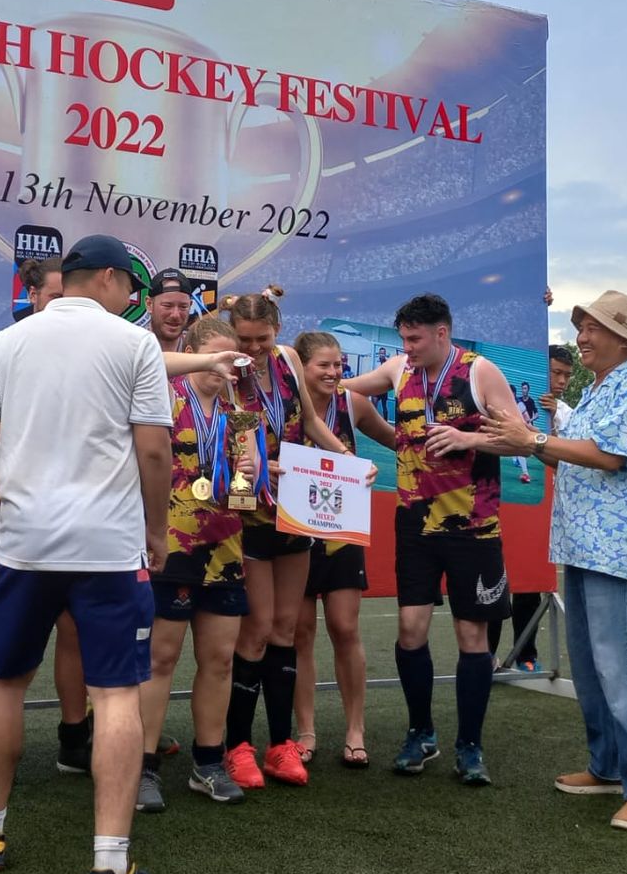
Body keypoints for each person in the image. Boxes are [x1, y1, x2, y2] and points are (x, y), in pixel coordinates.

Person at [0, 234, 173, 874]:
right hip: (108, 548)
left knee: (3, 684)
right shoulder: (136, 346)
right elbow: (155, 449)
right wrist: (156, 531)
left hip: (23, 545)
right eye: (129, 285)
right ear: (103, 277)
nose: (135, 298)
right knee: (118, 697)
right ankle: (109, 869)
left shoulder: (8, 341)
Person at [484, 290, 627, 831]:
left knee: (623, 668)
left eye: (593, 328)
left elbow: (612, 456)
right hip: (586, 544)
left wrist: (536, 438)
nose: (582, 338)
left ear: (625, 339)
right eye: (582, 326)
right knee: (593, 667)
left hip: (618, 549)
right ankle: (609, 766)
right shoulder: (599, 390)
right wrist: (490, 439)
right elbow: (557, 448)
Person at [344, 294, 525, 787]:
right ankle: (420, 733)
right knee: (409, 630)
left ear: (442, 333)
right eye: (403, 338)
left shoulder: (480, 372)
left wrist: (468, 439)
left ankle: (470, 745)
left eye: (415, 338)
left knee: (472, 637)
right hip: (414, 524)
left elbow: (521, 437)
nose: (407, 347)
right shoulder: (400, 368)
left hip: (474, 527)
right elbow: (345, 392)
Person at [0, 254, 95, 773]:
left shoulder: (95, 350)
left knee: (76, 628)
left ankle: (75, 739)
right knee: (2, 639)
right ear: (33, 296)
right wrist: (39, 424)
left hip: (78, 509)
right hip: (7, 509)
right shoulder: (4, 346)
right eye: (54, 296)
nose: (64, 306)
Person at [217, 285, 345, 790]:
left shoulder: (289, 360)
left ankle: (279, 744)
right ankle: (237, 746)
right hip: (246, 512)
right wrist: (262, 468)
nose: (252, 350)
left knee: (287, 629)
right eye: (244, 339)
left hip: (295, 509)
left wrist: (345, 463)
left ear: (277, 330)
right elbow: (218, 439)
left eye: (261, 339)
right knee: (254, 629)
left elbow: (310, 422)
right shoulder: (224, 371)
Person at [138, 315, 257, 809]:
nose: (228, 368)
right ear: (195, 352)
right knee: (161, 657)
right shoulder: (165, 399)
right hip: (172, 549)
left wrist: (249, 476)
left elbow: (247, 501)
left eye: (236, 359)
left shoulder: (242, 412)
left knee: (220, 659)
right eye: (221, 357)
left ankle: (209, 762)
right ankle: (142, 766)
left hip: (225, 551)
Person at [290, 329, 392, 769]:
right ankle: (306, 729)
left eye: (338, 365)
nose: (334, 373)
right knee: (300, 633)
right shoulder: (284, 403)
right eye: (324, 366)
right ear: (302, 367)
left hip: (342, 528)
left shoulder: (353, 403)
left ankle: (355, 728)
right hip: (293, 527)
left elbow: (395, 439)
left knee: (344, 628)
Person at [502, 343, 579, 673]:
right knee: (495, 581)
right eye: (556, 373)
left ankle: (526, 653)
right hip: (508, 502)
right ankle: (486, 655)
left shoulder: (567, 412)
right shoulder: (511, 399)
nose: (561, 381)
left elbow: (576, 454)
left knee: (530, 581)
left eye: (566, 376)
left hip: (544, 507)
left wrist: (555, 417)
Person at [145, 268, 193, 352]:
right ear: (149, 304)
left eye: (183, 307)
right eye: (167, 306)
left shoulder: (197, 349)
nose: (175, 315)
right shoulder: (132, 345)